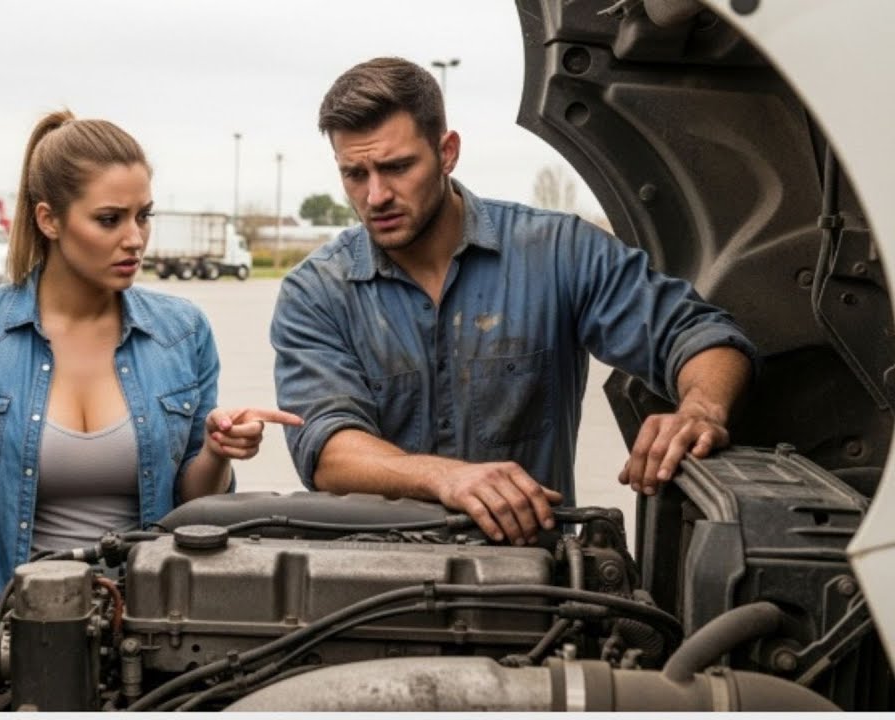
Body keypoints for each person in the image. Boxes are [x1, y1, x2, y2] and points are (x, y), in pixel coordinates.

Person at [0, 110, 301, 608]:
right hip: (3, 624)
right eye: (110, 219)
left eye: (143, 215)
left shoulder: (182, 332)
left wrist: (217, 451)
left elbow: (193, 505)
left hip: (146, 625)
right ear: (49, 219)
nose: (134, 238)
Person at [271, 57, 755, 547]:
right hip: (376, 588)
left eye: (397, 167)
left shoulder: (559, 252)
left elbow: (702, 336)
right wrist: (446, 478)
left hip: (535, 589)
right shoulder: (316, 292)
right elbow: (327, 448)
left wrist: (701, 407)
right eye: (355, 173)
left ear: (447, 152)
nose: (375, 195)